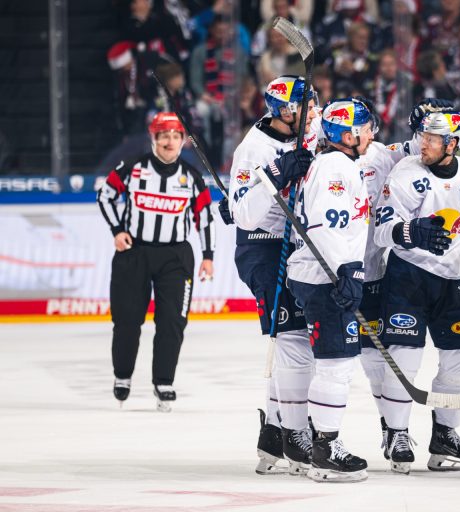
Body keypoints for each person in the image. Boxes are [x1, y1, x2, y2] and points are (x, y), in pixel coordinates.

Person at [372, 108, 460, 474]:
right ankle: (396, 433)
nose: (422, 144)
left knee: (459, 359)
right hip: (409, 276)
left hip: (453, 281)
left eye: (431, 139)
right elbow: (382, 228)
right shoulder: (407, 171)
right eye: (422, 136)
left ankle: (446, 435)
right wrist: (411, 231)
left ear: (452, 144)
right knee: (405, 356)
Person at [222, 75, 317, 475]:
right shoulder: (254, 149)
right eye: (307, 107)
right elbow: (243, 214)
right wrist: (275, 174)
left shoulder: (309, 132)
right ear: (286, 111)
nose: (315, 113)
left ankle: (275, 433)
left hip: (298, 246)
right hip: (263, 249)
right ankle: (295, 434)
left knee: (297, 343)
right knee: (294, 339)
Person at [97, 112, 215, 412]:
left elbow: (204, 217)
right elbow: (106, 195)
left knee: (172, 322)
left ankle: (164, 381)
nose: (170, 142)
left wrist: (208, 256)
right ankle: (122, 376)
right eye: (164, 136)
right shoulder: (133, 169)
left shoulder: (192, 177)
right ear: (154, 139)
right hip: (134, 253)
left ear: (183, 141)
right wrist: (117, 230)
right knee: (127, 321)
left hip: (175, 257)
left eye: (175, 136)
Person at [286, 98, 375, 483]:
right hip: (325, 277)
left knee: (332, 362)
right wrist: (349, 273)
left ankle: (319, 440)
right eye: (367, 127)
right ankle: (325, 448)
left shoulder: (331, 163)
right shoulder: (337, 168)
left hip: (318, 273)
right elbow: (327, 226)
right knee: (336, 364)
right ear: (349, 133)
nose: (372, 133)